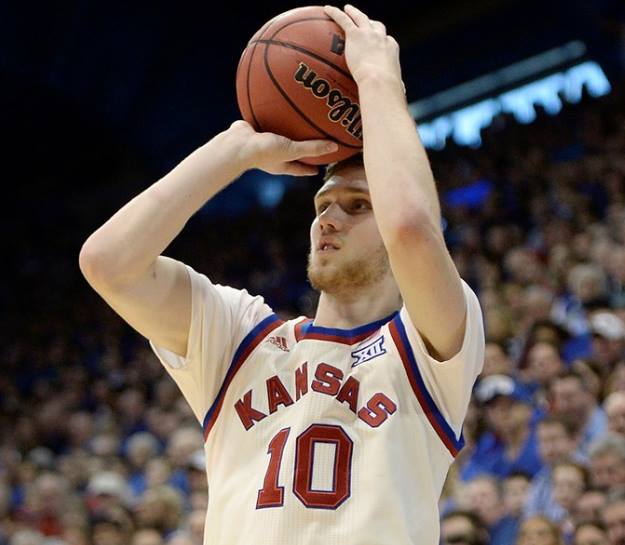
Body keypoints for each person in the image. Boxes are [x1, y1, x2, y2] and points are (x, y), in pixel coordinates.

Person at [78, 4, 485, 545]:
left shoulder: (428, 345)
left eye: (358, 206)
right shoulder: (241, 337)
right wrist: (234, 150)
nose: (329, 218)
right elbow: (107, 263)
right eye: (323, 205)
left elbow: (411, 227)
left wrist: (378, 80)